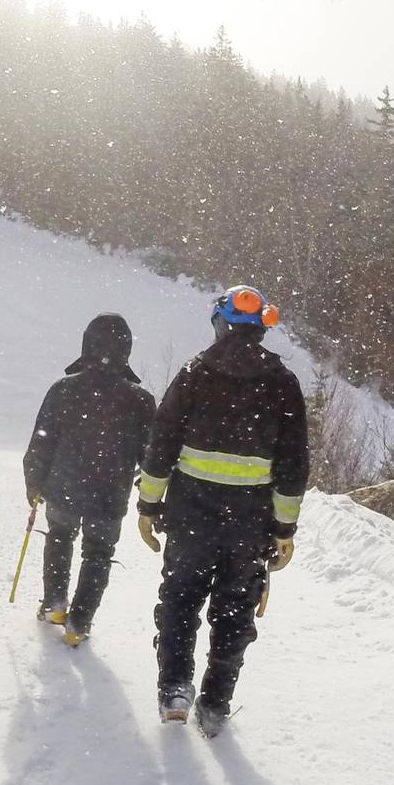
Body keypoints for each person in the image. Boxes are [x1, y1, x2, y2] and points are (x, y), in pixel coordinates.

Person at [136, 285, 309, 737]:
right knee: (234, 610)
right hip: (250, 523)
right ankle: (215, 704)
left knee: (180, 601)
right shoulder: (282, 382)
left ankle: (175, 689)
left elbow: (161, 446)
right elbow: (293, 465)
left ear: (220, 324)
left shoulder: (196, 372)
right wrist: (284, 528)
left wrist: (148, 505)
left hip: (191, 513)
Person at [22, 313, 155, 647]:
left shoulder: (63, 389)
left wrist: (33, 481)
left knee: (60, 536)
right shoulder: (139, 400)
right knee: (97, 552)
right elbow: (151, 457)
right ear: (125, 350)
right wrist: (151, 495)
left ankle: (54, 601)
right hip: (109, 495)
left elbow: (41, 440)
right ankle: (79, 620)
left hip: (62, 487)